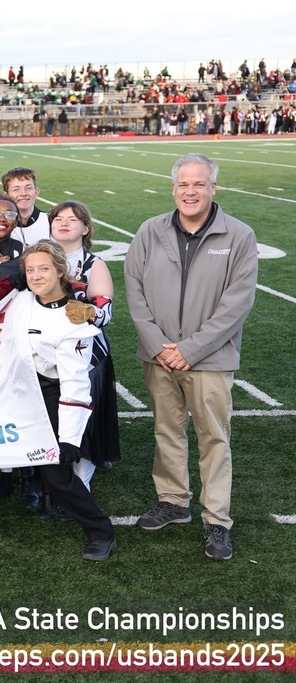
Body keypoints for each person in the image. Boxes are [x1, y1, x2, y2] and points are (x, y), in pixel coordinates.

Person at [0, 241, 116, 562]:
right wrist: (11, 280)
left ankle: (101, 530)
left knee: (55, 474)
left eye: (44, 269)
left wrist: (70, 438)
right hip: (8, 386)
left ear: (61, 271)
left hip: (51, 392)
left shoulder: (74, 319)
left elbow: (76, 384)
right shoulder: (18, 300)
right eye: (30, 270)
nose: (35, 276)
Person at [125, 153, 258, 562]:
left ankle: (216, 520)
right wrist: (159, 344)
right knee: (167, 431)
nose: (190, 191)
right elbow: (135, 290)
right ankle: (173, 500)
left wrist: (190, 349)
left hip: (210, 359)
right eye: (183, 184)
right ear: (173, 188)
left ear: (213, 187)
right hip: (160, 356)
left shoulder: (238, 235)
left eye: (199, 184)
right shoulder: (150, 231)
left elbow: (237, 303)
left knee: (214, 439)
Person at [48, 201, 120, 488]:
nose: (64, 223)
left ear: (85, 228)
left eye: (73, 219)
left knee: (82, 421)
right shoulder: (39, 259)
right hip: (44, 353)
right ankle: (49, 485)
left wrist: (88, 311)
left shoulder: (93, 263)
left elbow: (105, 312)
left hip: (85, 355)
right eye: (58, 219)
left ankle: (81, 485)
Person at [1, 167, 49, 246]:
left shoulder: (50, 222)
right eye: (16, 189)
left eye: (28, 188)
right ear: (6, 195)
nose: (23, 193)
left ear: (36, 192)